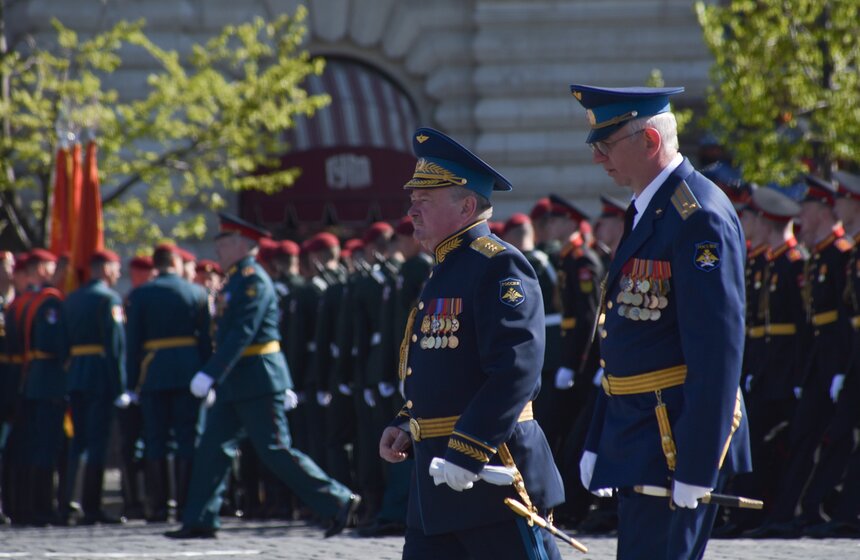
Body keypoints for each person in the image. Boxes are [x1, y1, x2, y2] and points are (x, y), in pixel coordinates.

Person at [570, 84, 751, 559]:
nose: (597, 159)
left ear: (649, 142)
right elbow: (626, 339)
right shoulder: (650, 207)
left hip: (676, 439)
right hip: (640, 433)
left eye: (606, 146)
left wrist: (698, 463)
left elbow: (716, 350)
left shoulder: (697, 216)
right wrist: (599, 438)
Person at [378, 127, 564, 559]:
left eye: (425, 200)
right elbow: (444, 368)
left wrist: (468, 449)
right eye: (413, 199)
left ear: (465, 206)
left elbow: (516, 370)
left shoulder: (497, 265)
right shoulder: (446, 266)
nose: (412, 210)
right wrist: (407, 421)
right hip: (435, 482)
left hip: (489, 475)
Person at [164, 213, 359, 540]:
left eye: (224, 243)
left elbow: (242, 333)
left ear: (241, 244)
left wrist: (211, 373)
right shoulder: (237, 278)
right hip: (238, 380)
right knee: (213, 447)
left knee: (275, 449)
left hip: (258, 379)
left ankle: (338, 500)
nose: (219, 249)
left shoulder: (253, 279)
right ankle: (200, 518)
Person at [748, 175, 854, 537]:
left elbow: (837, 320)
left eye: (807, 208)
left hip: (832, 361)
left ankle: (820, 510)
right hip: (813, 363)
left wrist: (839, 367)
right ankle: (791, 511)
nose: (802, 215)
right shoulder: (820, 258)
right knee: (804, 438)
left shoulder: (834, 257)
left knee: (832, 437)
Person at [125, 243, 212, 522]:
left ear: (155, 264)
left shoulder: (140, 294)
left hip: (154, 372)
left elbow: (133, 341)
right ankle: (187, 504)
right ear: (176, 263)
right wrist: (208, 377)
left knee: (155, 439)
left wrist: (131, 382)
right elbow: (205, 341)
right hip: (190, 371)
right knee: (188, 438)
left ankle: (159, 506)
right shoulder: (197, 292)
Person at [63, 250, 127, 525]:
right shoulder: (108, 298)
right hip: (100, 375)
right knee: (98, 443)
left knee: (78, 443)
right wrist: (120, 385)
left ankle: (68, 502)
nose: (118, 274)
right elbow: (115, 347)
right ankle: (91, 506)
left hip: (76, 374)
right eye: (116, 268)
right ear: (105, 269)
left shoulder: (72, 298)